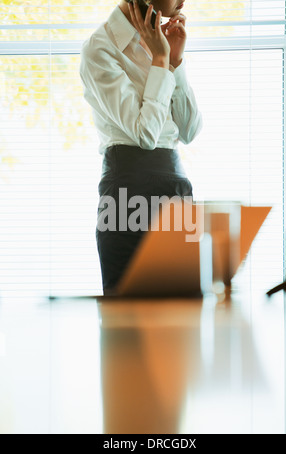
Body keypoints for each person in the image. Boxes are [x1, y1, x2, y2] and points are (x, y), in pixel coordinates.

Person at [80, 0, 202, 296]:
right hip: (126, 196)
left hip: (176, 190)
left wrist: (174, 62)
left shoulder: (161, 42)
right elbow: (145, 133)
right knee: (127, 323)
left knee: (183, 321)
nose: (184, 1)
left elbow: (189, 130)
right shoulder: (100, 48)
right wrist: (161, 60)